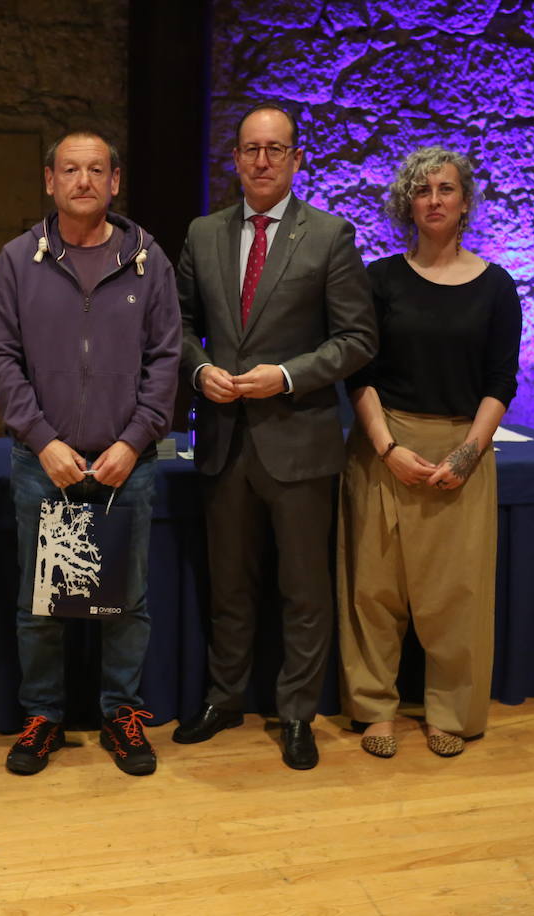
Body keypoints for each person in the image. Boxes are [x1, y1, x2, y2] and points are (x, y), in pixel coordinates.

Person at [173, 103, 377, 770]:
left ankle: (295, 711)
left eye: (276, 150)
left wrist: (286, 376)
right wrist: (199, 369)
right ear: (235, 159)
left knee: (302, 588)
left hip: (299, 440)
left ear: (296, 160)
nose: (262, 161)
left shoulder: (330, 236)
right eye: (251, 149)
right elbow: (172, 324)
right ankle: (226, 696)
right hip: (225, 439)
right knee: (229, 584)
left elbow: (357, 339)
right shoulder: (202, 235)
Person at [0, 129, 181, 776]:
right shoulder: (19, 260)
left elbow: (166, 361)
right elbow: (2, 361)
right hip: (46, 465)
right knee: (40, 603)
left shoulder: (149, 261)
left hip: (129, 464)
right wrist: (44, 441)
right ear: (50, 180)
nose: (84, 181)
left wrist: (134, 440)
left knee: (127, 600)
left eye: (97, 170)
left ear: (115, 181)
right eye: (70, 170)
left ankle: (121, 713)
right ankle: (43, 715)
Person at [338, 146, 522, 758]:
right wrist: (386, 446)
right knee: (374, 590)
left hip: (462, 448)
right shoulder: (380, 280)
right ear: (407, 204)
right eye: (423, 191)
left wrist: (469, 453)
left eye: (446, 189)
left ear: (465, 201)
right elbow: (357, 372)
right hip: (384, 443)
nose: (435, 200)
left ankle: (451, 710)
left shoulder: (497, 286)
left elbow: (501, 381)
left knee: (457, 594)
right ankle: (374, 708)